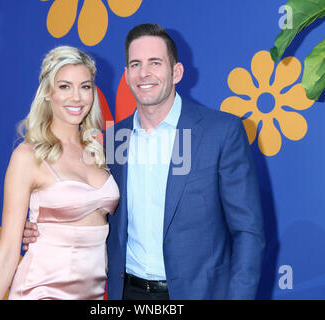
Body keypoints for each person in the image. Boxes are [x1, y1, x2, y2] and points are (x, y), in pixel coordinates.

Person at [24, 24, 265, 300]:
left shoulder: (221, 132)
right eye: (135, 64)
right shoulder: (113, 140)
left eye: (155, 63)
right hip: (129, 294)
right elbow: (97, 212)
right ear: (126, 75)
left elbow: (248, 232)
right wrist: (44, 228)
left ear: (176, 72)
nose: (144, 73)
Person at [0, 46, 120, 300]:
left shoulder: (100, 151)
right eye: (65, 86)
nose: (77, 98)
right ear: (48, 92)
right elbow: (8, 250)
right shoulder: (28, 156)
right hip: (40, 292)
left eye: (85, 87)